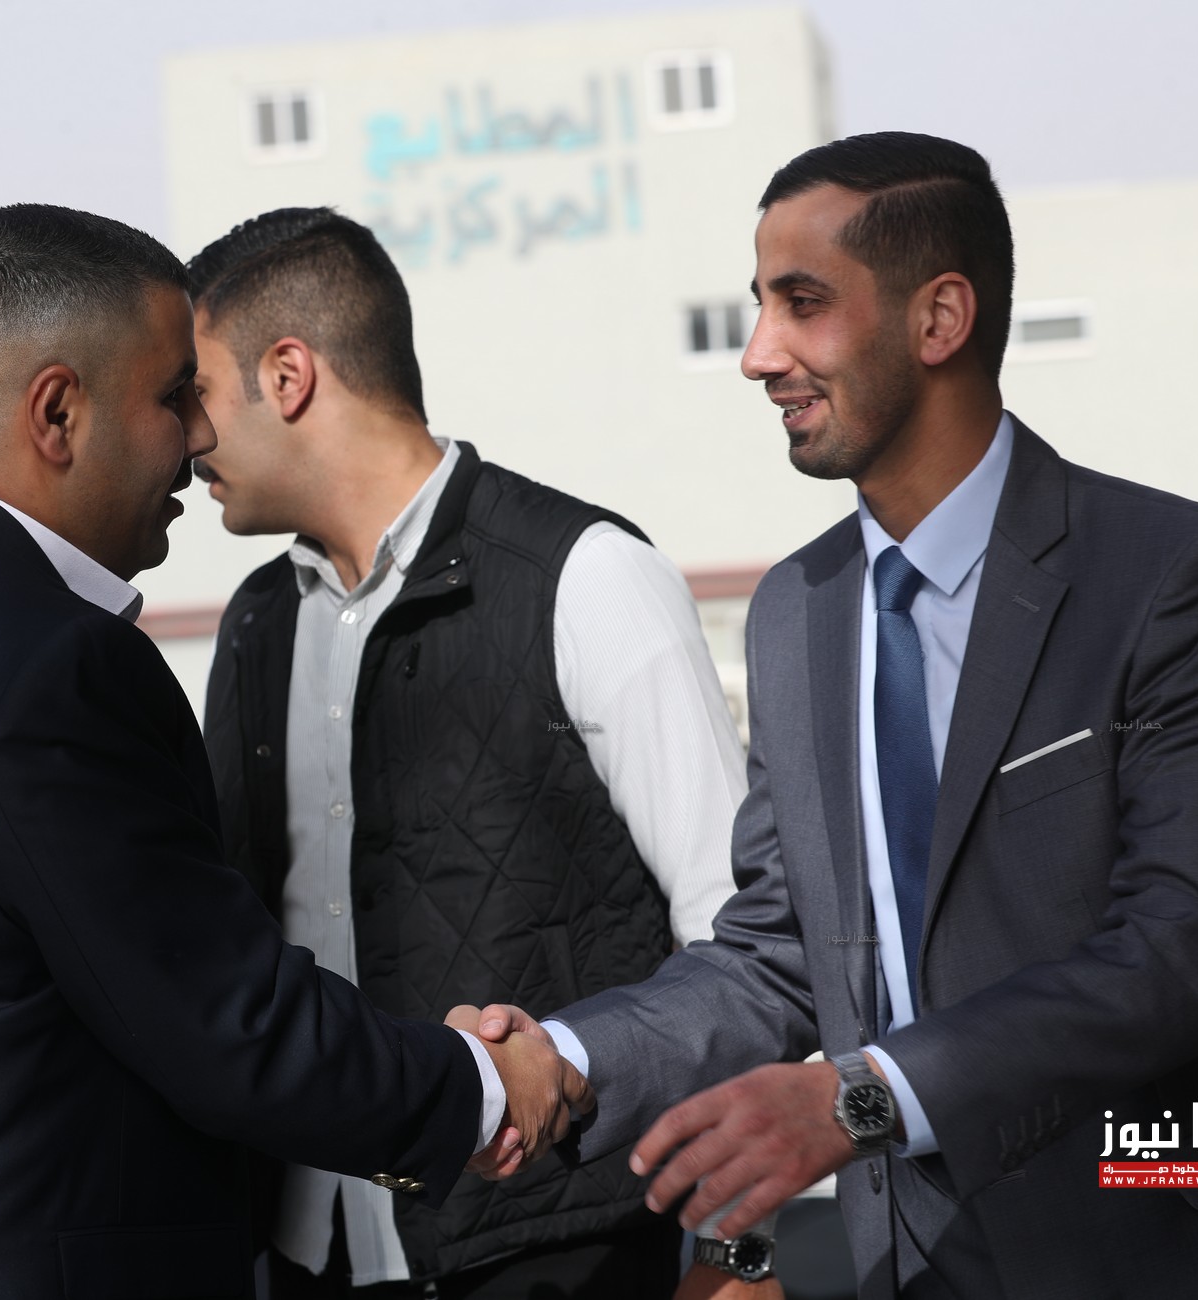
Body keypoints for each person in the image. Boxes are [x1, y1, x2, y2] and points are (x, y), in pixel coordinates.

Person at [475, 132, 1198, 1299]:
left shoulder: (1172, 575)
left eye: (802, 303)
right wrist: (565, 1057)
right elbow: (779, 951)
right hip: (929, 1262)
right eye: (759, 305)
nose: (759, 353)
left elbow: (1184, 946)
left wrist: (860, 1098)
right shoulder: (794, 611)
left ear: (939, 319)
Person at [0, 204, 588, 1299]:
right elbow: (221, 1019)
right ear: (57, 412)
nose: (201, 435)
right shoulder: (52, 664)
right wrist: (480, 1085)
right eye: (176, 393)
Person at [188, 208, 746, 1297]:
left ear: (289, 376)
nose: (181, 433)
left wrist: (736, 1246)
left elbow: (738, 942)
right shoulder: (259, 622)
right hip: (309, 1249)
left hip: (560, 1251)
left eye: (194, 391)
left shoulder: (586, 576)